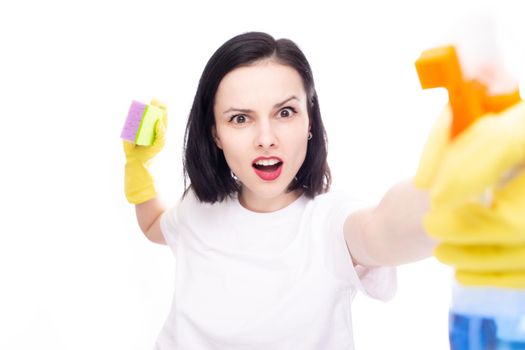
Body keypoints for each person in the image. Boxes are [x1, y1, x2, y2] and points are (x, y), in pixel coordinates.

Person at [122, 31, 525, 349]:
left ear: (309, 122)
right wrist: (138, 168)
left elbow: (385, 229)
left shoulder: (330, 223)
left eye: (285, 112)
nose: (266, 138)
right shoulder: (197, 208)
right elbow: (156, 224)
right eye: (240, 118)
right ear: (215, 134)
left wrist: (454, 184)